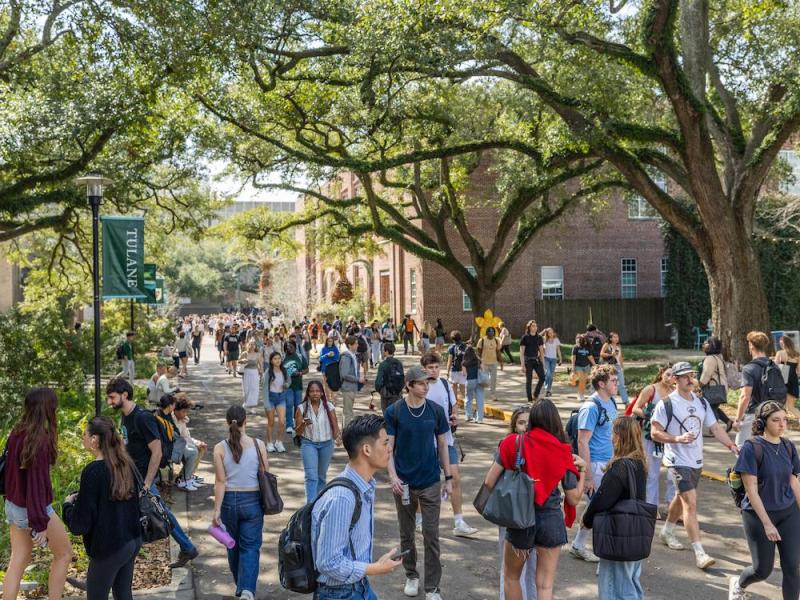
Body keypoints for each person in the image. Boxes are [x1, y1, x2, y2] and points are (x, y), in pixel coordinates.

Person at [482, 399, 585, 600]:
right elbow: (573, 499)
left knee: (512, 578)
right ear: (555, 421)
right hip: (551, 520)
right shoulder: (564, 451)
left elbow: (488, 482)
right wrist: (584, 470)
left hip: (521, 519)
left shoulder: (513, 443)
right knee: (545, 586)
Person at [650, 361, 738, 569]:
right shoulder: (666, 404)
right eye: (685, 376)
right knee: (690, 502)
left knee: (681, 499)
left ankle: (667, 530)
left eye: (691, 375)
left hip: (696, 460)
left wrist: (731, 445)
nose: (690, 379)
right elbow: (655, 432)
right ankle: (700, 553)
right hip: (676, 460)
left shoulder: (702, 403)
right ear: (675, 380)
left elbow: (715, 427)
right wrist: (677, 439)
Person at [107, 377, 199, 568]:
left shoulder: (142, 417)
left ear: (125, 395)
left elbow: (156, 451)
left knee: (157, 513)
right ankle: (187, 548)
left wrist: (148, 483)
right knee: (155, 513)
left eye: (112, 397)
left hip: (142, 478)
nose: (110, 402)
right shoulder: (125, 415)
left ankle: (112, 565)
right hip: (131, 476)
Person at [311, 415, 404, 599]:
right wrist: (374, 568)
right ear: (367, 449)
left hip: (359, 586)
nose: (390, 448)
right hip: (338, 594)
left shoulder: (365, 485)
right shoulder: (342, 498)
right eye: (385, 443)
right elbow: (328, 562)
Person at [386, 366, 454, 600]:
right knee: (406, 534)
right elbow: (389, 449)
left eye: (428, 383)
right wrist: (393, 476)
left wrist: (449, 478)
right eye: (422, 383)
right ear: (409, 385)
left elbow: (443, 445)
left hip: (430, 481)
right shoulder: (394, 411)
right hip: (403, 482)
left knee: (431, 535)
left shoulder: (435, 411)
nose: (426, 387)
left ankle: (433, 588)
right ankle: (411, 575)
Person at [2, 388, 72, 600]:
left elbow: (9, 473)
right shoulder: (38, 440)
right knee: (64, 554)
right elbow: (35, 486)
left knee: (18, 560)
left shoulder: (17, 431)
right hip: (32, 508)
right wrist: (39, 523)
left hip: (13, 505)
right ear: (47, 409)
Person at [63, 417, 142, 600]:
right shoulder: (125, 463)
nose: (82, 437)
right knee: (123, 594)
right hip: (132, 540)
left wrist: (67, 505)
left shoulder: (93, 471)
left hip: (109, 548)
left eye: (85, 434)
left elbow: (79, 525)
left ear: (95, 440)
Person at [729, 401, 800, 600]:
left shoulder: (788, 446)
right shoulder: (752, 448)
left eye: (784, 420)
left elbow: (793, 482)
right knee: (762, 570)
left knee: (793, 567)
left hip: (788, 512)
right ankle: (739, 583)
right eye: (776, 420)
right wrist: (768, 524)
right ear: (762, 423)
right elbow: (751, 490)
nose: (782, 425)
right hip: (758, 515)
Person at [581, 416, 647, 600]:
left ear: (618, 436)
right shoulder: (639, 463)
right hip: (636, 533)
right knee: (631, 584)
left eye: (613, 433)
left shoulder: (620, 467)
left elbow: (602, 499)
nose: (611, 437)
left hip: (618, 535)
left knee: (614, 587)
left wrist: (586, 520)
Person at [418, 351, 478, 538]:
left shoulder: (445, 384)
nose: (434, 371)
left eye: (436, 367)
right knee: (423, 482)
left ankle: (459, 521)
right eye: (430, 368)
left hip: (447, 440)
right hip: (426, 442)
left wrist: (455, 417)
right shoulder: (420, 387)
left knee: (455, 478)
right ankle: (420, 520)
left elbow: (454, 406)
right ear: (424, 369)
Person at [212, 405, 268, 600]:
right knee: (250, 547)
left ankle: (241, 585)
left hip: (228, 501)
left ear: (227, 423)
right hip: (252, 501)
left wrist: (216, 510)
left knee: (232, 546)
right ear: (246, 421)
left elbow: (220, 481)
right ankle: (246, 590)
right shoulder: (258, 445)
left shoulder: (219, 448)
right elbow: (264, 474)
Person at [569, 364, 618, 563]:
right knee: (601, 510)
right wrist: (587, 476)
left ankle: (579, 545)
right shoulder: (591, 407)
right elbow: (582, 442)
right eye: (613, 381)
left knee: (597, 508)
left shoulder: (611, 402)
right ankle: (605, 552)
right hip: (595, 465)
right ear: (601, 384)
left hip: (608, 463)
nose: (617, 384)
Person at [496, 407, 536, 600]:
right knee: (509, 567)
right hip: (510, 510)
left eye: (529, 422)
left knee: (532, 566)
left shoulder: (538, 446)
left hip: (533, 512)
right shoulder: (507, 444)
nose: (525, 427)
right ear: (513, 426)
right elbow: (493, 479)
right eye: (521, 423)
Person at [632, 366, 676, 508]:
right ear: (662, 373)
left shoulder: (675, 392)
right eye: (668, 374)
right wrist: (651, 416)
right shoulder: (651, 389)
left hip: (668, 437)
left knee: (673, 474)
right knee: (652, 473)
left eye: (673, 376)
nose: (670, 378)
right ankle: (651, 506)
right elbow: (635, 408)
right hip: (650, 436)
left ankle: (671, 504)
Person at [734, 331, 784, 446]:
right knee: (766, 449)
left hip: (753, 414)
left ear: (751, 345)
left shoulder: (749, 368)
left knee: (742, 448)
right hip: (772, 414)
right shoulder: (775, 366)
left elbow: (745, 397)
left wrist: (737, 420)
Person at [295, 381, 342, 502]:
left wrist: (337, 437)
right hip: (309, 443)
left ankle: (319, 503)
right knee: (311, 477)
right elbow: (298, 432)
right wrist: (303, 424)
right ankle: (310, 506)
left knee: (321, 476)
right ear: (308, 393)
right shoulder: (302, 408)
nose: (315, 393)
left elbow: (335, 425)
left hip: (326, 444)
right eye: (312, 391)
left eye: (317, 391)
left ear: (322, 393)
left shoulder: (329, 407)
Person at [173, 395, 207, 490]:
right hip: (172, 448)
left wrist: (198, 443)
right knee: (193, 452)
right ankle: (184, 480)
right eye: (184, 411)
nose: (185, 414)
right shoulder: (172, 420)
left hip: (179, 445)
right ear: (175, 410)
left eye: (187, 411)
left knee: (200, 448)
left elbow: (186, 436)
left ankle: (187, 476)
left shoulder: (181, 420)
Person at [699, 336, 733, 431]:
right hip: (721, 387)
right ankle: (728, 421)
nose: (704, 345)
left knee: (710, 407)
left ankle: (715, 430)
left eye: (706, 343)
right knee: (713, 406)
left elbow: (706, 374)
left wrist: (700, 384)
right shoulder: (718, 357)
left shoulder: (710, 358)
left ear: (711, 346)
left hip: (714, 388)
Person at [283, 340, 309, 435]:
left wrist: (300, 373)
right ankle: (289, 425)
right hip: (287, 385)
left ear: (295, 347)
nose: (289, 348)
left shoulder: (300, 356)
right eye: (287, 347)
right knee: (289, 404)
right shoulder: (283, 357)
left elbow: (306, 369)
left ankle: (296, 422)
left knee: (298, 405)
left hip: (298, 384)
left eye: (291, 346)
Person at [265, 351, 289, 453]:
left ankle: (279, 442)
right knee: (271, 422)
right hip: (270, 398)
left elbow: (289, 380)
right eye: (275, 358)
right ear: (271, 361)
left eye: (279, 358)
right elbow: (264, 388)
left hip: (281, 398)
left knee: (282, 422)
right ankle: (269, 443)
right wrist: (266, 403)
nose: (277, 360)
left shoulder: (284, 370)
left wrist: (287, 384)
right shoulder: (268, 372)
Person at [775, 334, 800, 420]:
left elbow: (775, 367)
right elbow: (799, 371)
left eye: (781, 344)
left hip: (783, 379)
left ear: (784, 344)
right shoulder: (797, 355)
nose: (781, 345)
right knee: (790, 407)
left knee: (782, 405)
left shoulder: (780, 353)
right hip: (793, 380)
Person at [519, 320, 545, 402]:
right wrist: (522, 365)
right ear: (529, 327)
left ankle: (535, 394)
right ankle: (529, 399)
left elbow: (541, 351)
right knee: (529, 380)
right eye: (533, 326)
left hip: (537, 360)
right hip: (528, 361)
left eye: (536, 326)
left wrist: (543, 364)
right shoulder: (525, 338)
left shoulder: (539, 338)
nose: (535, 327)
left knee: (542, 377)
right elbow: (522, 352)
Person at [374, 342, 404, 411]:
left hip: (386, 393)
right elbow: (402, 377)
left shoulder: (383, 364)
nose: (383, 352)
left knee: (387, 413)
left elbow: (378, 381)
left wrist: (379, 389)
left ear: (386, 351)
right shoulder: (399, 363)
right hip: (397, 393)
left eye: (383, 350)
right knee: (396, 413)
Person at [600, 332, 628, 405]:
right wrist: (611, 354)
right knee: (610, 383)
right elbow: (601, 354)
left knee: (621, 384)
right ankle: (609, 400)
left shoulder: (619, 346)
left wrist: (622, 367)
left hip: (618, 366)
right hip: (610, 366)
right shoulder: (607, 345)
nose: (617, 338)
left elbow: (620, 357)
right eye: (614, 337)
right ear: (610, 338)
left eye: (617, 337)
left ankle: (626, 402)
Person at [477, 327, 503, 399]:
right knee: (484, 380)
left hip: (494, 363)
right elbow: (479, 352)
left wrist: (501, 362)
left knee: (493, 379)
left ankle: (492, 394)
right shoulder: (482, 340)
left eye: (492, 332)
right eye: (489, 331)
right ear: (487, 332)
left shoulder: (496, 340)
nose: (491, 333)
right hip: (484, 363)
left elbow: (498, 352)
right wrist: (478, 363)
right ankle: (481, 393)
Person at [462, 342, 485, 424]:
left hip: (470, 381)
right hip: (479, 381)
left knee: (468, 399)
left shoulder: (464, 362)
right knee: (480, 399)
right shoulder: (478, 360)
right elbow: (483, 370)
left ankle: (468, 416)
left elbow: (464, 374)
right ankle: (480, 418)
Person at [239, 341, 263, 412]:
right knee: (246, 389)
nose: (252, 346)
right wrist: (243, 360)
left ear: (255, 346)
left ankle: (252, 407)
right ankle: (246, 404)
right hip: (246, 372)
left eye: (253, 344)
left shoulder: (258, 354)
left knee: (254, 389)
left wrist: (261, 373)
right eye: (250, 344)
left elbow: (261, 365)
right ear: (248, 345)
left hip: (255, 373)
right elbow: (239, 361)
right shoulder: (244, 353)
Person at [571, 334, 595, 402]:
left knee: (584, 381)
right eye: (582, 340)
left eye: (585, 340)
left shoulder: (588, 347)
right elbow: (573, 358)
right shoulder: (576, 347)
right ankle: (580, 395)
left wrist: (595, 365)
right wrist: (573, 367)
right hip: (578, 366)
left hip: (587, 366)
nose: (584, 341)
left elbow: (590, 357)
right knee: (581, 380)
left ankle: (582, 394)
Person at [446, 331, 467, 405]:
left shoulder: (452, 347)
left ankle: (454, 403)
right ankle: (467, 401)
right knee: (462, 387)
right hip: (463, 370)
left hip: (454, 370)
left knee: (454, 386)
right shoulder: (464, 346)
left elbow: (450, 360)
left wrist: (447, 371)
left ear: (452, 339)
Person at [319, 335, 341, 401]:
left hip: (333, 369)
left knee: (333, 383)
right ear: (326, 342)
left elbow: (338, 358)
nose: (330, 342)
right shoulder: (323, 349)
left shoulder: (335, 348)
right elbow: (321, 358)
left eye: (331, 341)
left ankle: (333, 398)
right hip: (325, 368)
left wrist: (333, 356)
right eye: (329, 341)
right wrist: (327, 355)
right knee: (326, 383)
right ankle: (327, 398)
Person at [542, 328, 562, 398]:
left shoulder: (556, 340)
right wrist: (543, 332)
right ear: (547, 333)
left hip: (553, 359)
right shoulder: (544, 339)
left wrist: (560, 358)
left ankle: (548, 389)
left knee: (551, 375)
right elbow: (538, 340)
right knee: (548, 372)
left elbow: (558, 350)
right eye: (549, 332)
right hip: (546, 358)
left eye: (552, 332)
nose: (551, 334)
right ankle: (547, 387)